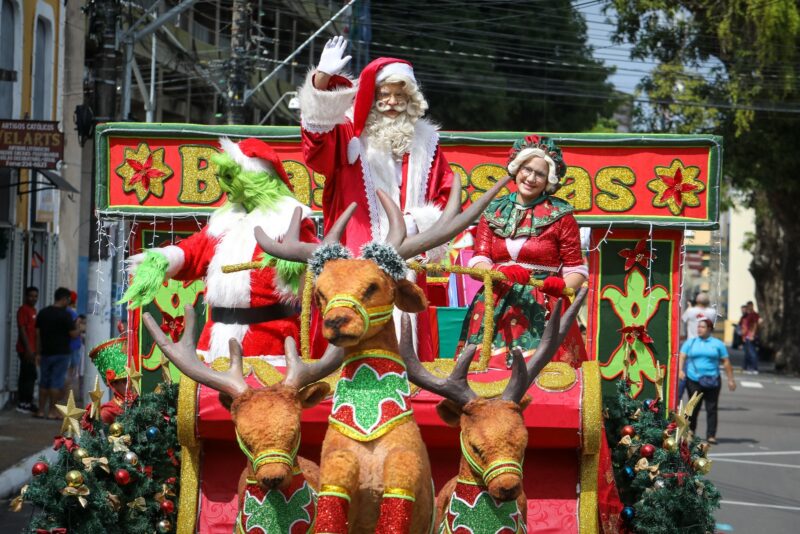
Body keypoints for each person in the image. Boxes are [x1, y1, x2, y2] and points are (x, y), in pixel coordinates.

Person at [298, 36, 454, 358]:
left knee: (410, 334)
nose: (392, 102)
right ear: (372, 97)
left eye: (400, 95)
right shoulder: (349, 136)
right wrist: (322, 81)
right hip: (355, 258)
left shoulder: (428, 145)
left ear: (411, 99)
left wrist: (416, 224)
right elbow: (316, 146)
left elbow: (446, 196)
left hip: (409, 252)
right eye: (384, 95)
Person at [122, 138, 316, 361]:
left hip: (269, 343)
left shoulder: (289, 221)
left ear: (253, 178)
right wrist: (163, 259)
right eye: (221, 177)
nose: (223, 185)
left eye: (229, 177)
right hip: (215, 341)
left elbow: (318, 265)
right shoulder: (224, 222)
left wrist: (298, 262)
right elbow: (192, 251)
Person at [457, 135, 588, 368]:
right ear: (516, 169)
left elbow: (576, 268)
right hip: (494, 303)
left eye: (539, 174)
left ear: (549, 179)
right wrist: (498, 270)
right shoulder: (493, 211)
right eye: (527, 169)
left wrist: (563, 286)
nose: (531, 178)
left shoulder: (562, 216)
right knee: (486, 374)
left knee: (544, 377)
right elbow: (478, 261)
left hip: (543, 305)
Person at [678, 318, 736, 444]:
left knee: (712, 408)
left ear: (709, 329)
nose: (699, 329)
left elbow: (726, 362)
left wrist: (731, 380)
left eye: (702, 327)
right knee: (693, 407)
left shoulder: (717, 344)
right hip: (694, 379)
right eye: (698, 327)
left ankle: (711, 435)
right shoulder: (691, 342)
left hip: (713, 380)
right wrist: (680, 370)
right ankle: (690, 431)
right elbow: (682, 356)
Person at [35, 287, 79, 419]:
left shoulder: (43, 313)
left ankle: (41, 410)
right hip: (61, 353)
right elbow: (73, 334)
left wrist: (38, 352)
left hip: (45, 352)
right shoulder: (65, 315)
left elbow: (37, 334)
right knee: (56, 382)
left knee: (44, 382)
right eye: (68, 300)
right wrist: (78, 328)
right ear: (64, 299)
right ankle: (52, 412)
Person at [15, 286, 39, 413]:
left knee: (29, 375)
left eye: (35, 296)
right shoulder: (23, 310)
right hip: (25, 349)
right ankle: (24, 403)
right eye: (31, 296)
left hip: (32, 349)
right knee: (28, 376)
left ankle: (26, 401)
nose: (33, 298)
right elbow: (22, 329)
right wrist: (28, 349)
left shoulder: (33, 310)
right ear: (26, 296)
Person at [740, 301, 760, 374]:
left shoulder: (753, 315)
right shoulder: (748, 315)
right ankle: (747, 367)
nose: (748, 307)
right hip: (747, 335)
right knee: (748, 353)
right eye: (747, 306)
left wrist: (752, 335)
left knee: (752, 353)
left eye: (749, 306)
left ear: (752, 306)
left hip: (751, 336)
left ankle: (754, 368)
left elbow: (755, 325)